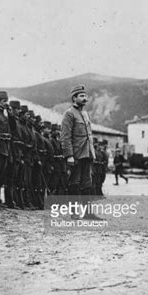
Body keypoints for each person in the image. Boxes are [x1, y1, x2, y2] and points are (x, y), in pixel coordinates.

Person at [60, 84, 100, 219]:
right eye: (81, 96)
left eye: (85, 96)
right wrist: (69, 155)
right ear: (74, 98)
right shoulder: (69, 114)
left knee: (87, 184)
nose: (85, 98)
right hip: (76, 154)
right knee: (74, 183)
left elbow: (89, 135)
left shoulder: (85, 113)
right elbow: (65, 137)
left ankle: (88, 213)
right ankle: (74, 213)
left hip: (87, 154)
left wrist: (92, 153)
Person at [0, 91, 12, 208]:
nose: (6, 103)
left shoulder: (4, 115)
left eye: (7, 101)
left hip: (5, 148)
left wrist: (10, 114)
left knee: (1, 176)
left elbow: (12, 128)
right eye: (4, 101)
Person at [7, 100, 23, 208]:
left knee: (14, 178)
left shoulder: (17, 120)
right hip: (11, 150)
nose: (19, 111)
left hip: (17, 151)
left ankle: (13, 200)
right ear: (11, 109)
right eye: (17, 109)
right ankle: (10, 201)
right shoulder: (10, 119)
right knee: (10, 178)